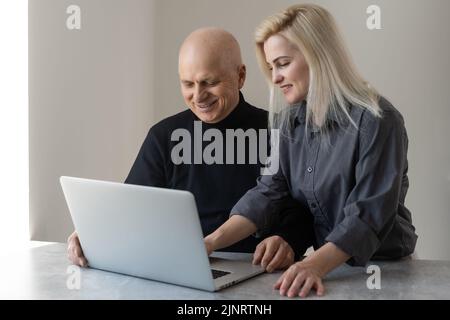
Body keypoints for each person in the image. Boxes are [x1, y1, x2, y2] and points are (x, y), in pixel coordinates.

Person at [204, 4, 418, 298]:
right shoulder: (288, 121)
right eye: (271, 67)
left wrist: (314, 266)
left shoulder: (377, 120)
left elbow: (366, 215)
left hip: (385, 269)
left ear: (319, 55)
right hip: (329, 268)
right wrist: (210, 242)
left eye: (282, 63)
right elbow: (267, 192)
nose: (275, 77)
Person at [67, 27, 313, 272]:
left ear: (240, 76)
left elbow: (306, 208)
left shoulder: (279, 131)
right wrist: (94, 230)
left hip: (259, 270)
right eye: (188, 84)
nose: (198, 96)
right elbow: (131, 208)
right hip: (179, 269)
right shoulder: (163, 136)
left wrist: (289, 239)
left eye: (210, 82)